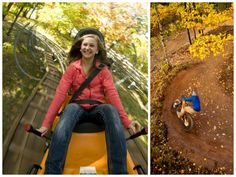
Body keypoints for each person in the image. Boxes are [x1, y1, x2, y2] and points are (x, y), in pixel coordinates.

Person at [37, 29, 141, 174]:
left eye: (92, 46)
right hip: (77, 107)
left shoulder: (104, 71)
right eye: (85, 45)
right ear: (80, 47)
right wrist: (46, 124)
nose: (87, 48)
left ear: (97, 50)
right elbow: (60, 95)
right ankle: (52, 172)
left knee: (110, 109)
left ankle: (118, 171)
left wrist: (127, 122)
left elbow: (112, 95)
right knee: (70, 108)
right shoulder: (72, 69)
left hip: (98, 109)